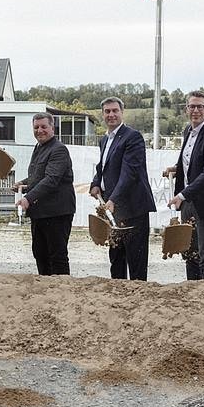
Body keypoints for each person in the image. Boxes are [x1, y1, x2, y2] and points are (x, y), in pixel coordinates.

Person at [89, 97, 156, 280]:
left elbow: (130, 173)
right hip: (114, 210)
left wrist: (113, 199)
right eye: (107, 111)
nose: (111, 115)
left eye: (114, 111)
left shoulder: (132, 137)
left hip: (133, 208)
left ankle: (139, 299)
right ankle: (117, 298)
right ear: (102, 114)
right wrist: (96, 183)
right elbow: (103, 167)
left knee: (136, 260)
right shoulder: (104, 140)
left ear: (122, 112)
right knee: (116, 257)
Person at [166, 91, 204, 280]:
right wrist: (177, 168)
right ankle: (191, 298)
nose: (196, 110)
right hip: (189, 204)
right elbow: (194, 162)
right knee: (190, 254)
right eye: (192, 106)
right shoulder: (188, 132)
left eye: (200, 106)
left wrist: (182, 195)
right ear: (186, 109)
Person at [15, 113, 76, 275]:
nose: (39, 130)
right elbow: (38, 176)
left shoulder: (59, 150)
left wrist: (27, 198)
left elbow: (52, 179)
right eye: (36, 127)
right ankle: (46, 291)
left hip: (57, 212)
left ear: (52, 128)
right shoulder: (39, 148)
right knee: (40, 253)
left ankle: (62, 291)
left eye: (43, 127)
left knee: (57, 255)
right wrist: (23, 184)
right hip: (40, 213)